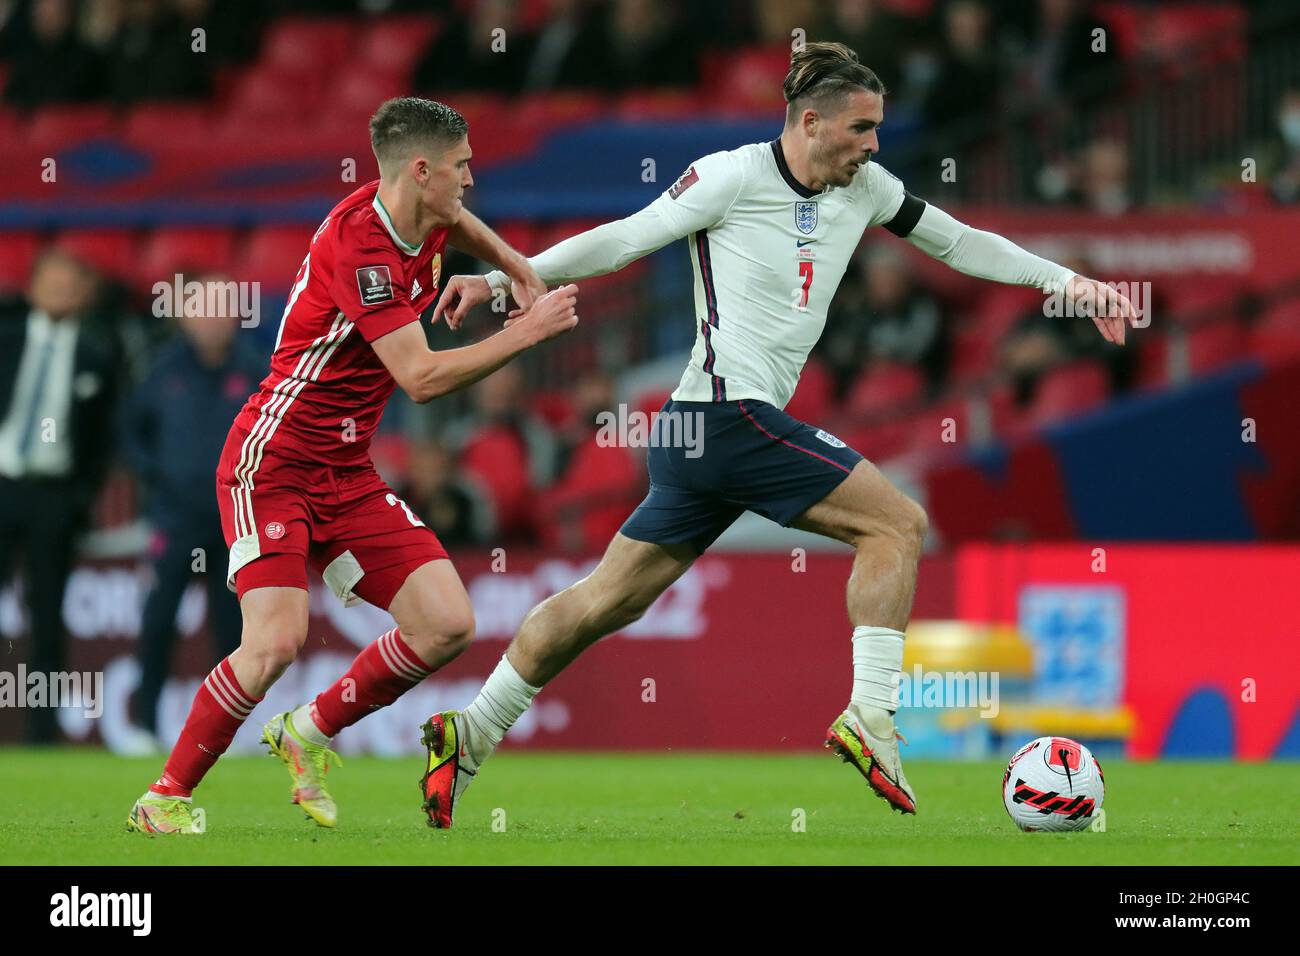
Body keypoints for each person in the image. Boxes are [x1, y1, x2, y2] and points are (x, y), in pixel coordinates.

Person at [426, 42, 1136, 826]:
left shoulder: (865, 187)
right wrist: (500, 279)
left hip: (703, 436)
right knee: (898, 525)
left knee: (604, 602)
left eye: (877, 130)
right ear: (809, 121)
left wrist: (1064, 280)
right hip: (727, 418)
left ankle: (472, 730)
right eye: (861, 128)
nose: (873, 145)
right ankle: (871, 716)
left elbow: (959, 241)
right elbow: (624, 238)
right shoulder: (731, 175)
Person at [126, 97, 579, 835]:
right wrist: (525, 330)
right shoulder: (361, 244)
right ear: (421, 170)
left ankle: (307, 731)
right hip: (272, 461)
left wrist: (515, 266)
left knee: (446, 622)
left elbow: (460, 223)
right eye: (461, 167)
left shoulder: (422, 212)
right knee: (275, 642)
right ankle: (165, 797)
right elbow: (422, 380)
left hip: (345, 471)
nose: (471, 179)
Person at [118, 278, 266, 752]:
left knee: (233, 630)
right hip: (175, 519)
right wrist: (155, 475)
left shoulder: (256, 370)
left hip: (233, 521)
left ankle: (228, 733)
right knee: (158, 620)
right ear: (184, 316)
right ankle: (143, 725)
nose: (211, 320)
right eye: (202, 309)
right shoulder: (161, 370)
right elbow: (128, 431)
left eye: (220, 309)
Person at [0, 247, 121, 743]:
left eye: (70, 286)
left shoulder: (97, 351)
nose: (61, 294)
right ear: (32, 288)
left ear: (84, 295)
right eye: (53, 284)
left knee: (48, 615)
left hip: (55, 495)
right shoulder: (5, 340)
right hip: (4, 482)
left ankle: (41, 734)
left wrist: (80, 496)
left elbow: (105, 437)